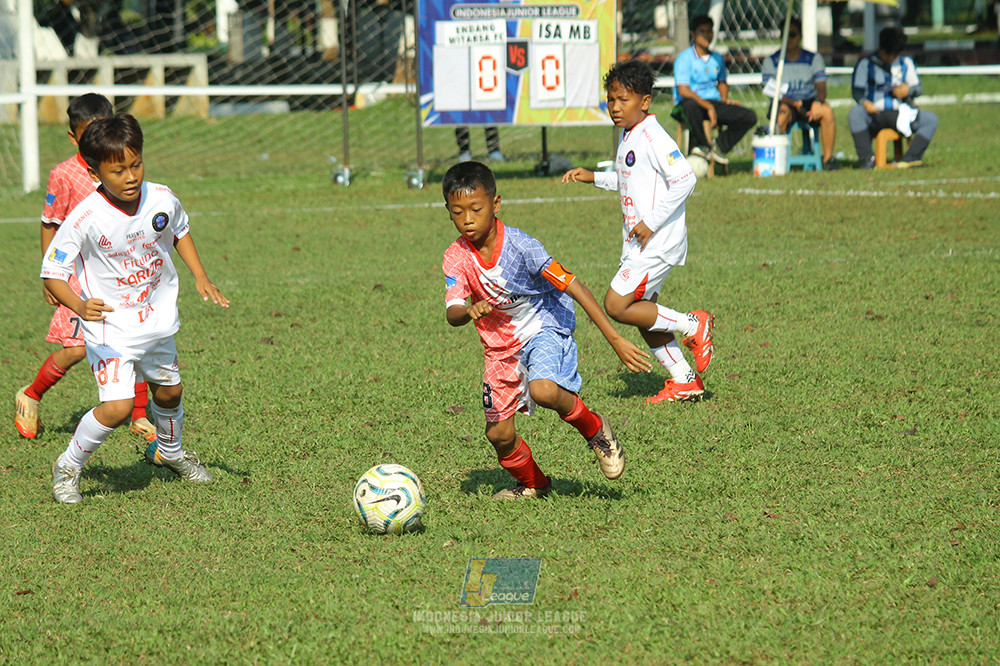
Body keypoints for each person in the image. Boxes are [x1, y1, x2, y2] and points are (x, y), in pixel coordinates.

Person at [40, 114, 230, 504]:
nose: (130, 177)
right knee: (117, 408)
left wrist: (200, 275)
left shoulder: (161, 197)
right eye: (118, 171)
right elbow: (52, 273)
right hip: (110, 328)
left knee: (170, 393)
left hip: (155, 321)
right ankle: (68, 467)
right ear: (94, 172)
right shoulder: (85, 217)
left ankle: (171, 453)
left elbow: (179, 230)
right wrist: (79, 305)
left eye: (136, 164)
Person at [442, 161, 651, 499]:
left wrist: (615, 339)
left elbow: (574, 286)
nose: (467, 219)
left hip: (545, 325)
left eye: (476, 209)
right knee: (498, 435)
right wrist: (467, 311)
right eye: (457, 212)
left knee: (544, 390)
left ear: (496, 204)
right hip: (500, 348)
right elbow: (452, 311)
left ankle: (596, 430)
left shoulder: (522, 247)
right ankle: (535, 484)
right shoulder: (455, 257)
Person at [562, 58, 715, 404]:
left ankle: (693, 324)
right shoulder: (629, 134)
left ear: (645, 101)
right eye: (610, 99)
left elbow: (685, 179)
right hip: (640, 242)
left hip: (656, 241)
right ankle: (685, 380)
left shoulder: (653, 135)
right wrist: (594, 177)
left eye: (623, 99)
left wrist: (651, 222)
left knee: (616, 304)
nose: (615, 107)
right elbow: (630, 179)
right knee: (646, 315)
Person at [15, 93, 158, 443]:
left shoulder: (121, 165)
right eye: (87, 133)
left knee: (135, 342)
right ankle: (31, 394)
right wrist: (51, 276)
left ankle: (139, 416)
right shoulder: (64, 175)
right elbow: (50, 223)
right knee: (76, 349)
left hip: (119, 274)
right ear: (73, 136)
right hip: (78, 279)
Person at [670, 15, 757, 165]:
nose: (707, 35)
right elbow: (683, 90)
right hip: (688, 104)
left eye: (709, 31)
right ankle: (703, 146)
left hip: (712, 102)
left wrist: (724, 100)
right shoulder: (684, 58)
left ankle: (719, 147)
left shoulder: (717, 58)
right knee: (691, 106)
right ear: (693, 34)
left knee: (749, 116)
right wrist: (708, 106)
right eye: (702, 31)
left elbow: (722, 82)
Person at [849, 26, 938, 169]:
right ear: (880, 47)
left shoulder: (906, 63)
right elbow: (856, 91)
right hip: (874, 114)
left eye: (894, 55)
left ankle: (910, 158)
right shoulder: (866, 64)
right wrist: (865, 103)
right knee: (855, 114)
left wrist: (908, 90)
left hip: (900, 114)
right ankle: (867, 160)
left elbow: (918, 89)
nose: (890, 58)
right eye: (887, 54)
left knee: (931, 120)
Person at [761, 17, 840, 170]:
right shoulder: (772, 61)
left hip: (809, 101)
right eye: (785, 35)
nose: (789, 39)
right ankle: (778, 161)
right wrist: (793, 103)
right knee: (782, 114)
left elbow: (821, 88)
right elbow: (771, 92)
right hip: (785, 103)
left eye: (793, 34)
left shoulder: (814, 58)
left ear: (800, 36)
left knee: (827, 111)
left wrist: (817, 102)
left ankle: (828, 160)